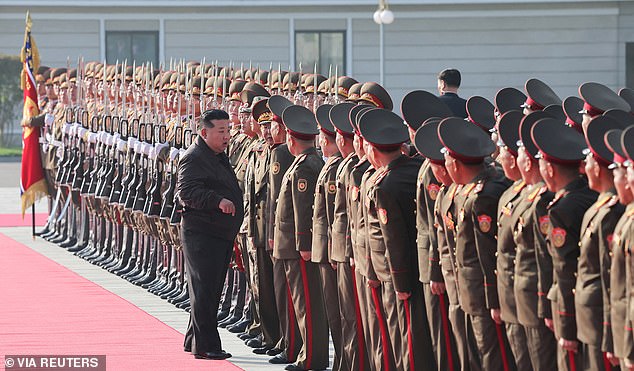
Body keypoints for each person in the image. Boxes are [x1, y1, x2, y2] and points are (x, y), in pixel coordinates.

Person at [177, 109, 245, 360]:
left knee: (208, 289)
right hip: (203, 234)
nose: (227, 136)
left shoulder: (215, 155)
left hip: (217, 233)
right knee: (206, 290)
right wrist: (218, 201)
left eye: (228, 130)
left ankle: (193, 339)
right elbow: (186, 192)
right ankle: (207, 346)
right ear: (204, 133)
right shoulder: (194, 158)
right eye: (221, 131)